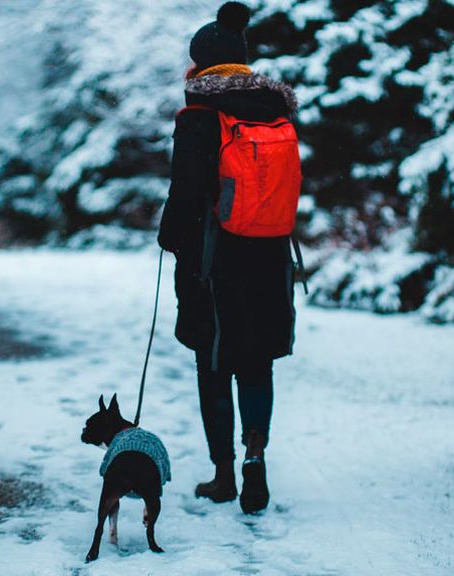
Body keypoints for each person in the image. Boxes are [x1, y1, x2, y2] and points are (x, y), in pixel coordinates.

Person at [157, 1, 299, 515]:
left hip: (212, 260)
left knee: (213, 363)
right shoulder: (276, 112)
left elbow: (187, 196)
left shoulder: (200, 116)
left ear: (199, 65)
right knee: (256, 360)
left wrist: (169, 237)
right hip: (270, 256)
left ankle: (223, 475)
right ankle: (255, 458)